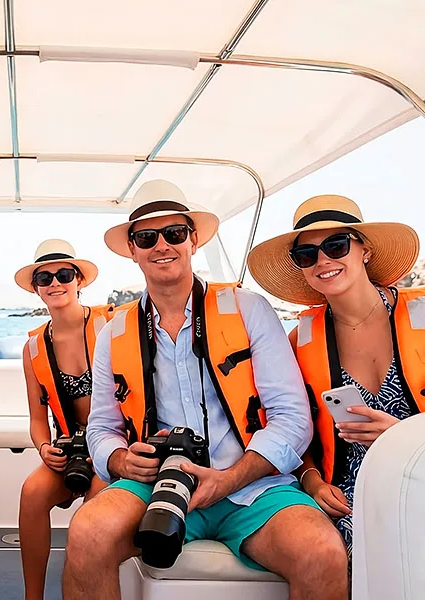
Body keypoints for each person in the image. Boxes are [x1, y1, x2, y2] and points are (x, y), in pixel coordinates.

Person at [62, 179, 349, 600]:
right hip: (158, 486)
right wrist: (122, 461)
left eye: (175, 233)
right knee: (87, 532)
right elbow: (102, 427)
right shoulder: (112, 333)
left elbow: (291, 417)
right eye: (147, 237)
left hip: (254, 488)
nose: (162, 245)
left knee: (322, 551)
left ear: (193, 240)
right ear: (133, 250)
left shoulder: (249, 309)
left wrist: (229, 479)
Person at [247, 193, 421, 561]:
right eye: (307, 255)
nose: (323, 260)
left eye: (336, 245)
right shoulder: (297, 341)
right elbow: (290, 425)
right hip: (349, 500)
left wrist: (405, 437)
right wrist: (311, 480)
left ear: (365, 250)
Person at [15, 239, 112, 600]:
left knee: (95, 506)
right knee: (32, 493)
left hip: (113, 449)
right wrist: (44, 448)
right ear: (37, 289)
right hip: (69, 450)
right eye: (44, 278)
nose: (55, 283)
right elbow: (37, 419)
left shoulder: (111, 327)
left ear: (79, 281)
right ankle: (33, 596)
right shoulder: (33, 348)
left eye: (64, 274)